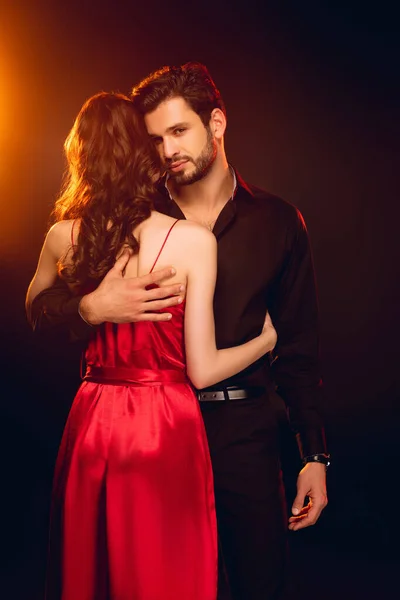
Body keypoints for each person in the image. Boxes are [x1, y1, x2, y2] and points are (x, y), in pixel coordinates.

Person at [29, 63, 329, 600]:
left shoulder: (279, 222)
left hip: (243, 430)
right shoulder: (128, 220)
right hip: (153, 431)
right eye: (154, 139)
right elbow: (40, 307)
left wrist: (314, 455)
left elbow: (299, 347)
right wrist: (89, 309)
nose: (167, 150)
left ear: (216, 123)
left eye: (179, 131)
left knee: (260, 582)